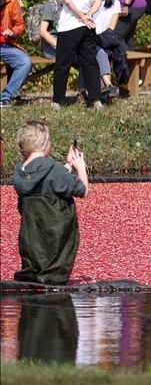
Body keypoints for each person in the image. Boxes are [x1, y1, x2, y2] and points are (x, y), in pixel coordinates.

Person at [12, 120, 90, 285]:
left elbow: (46, 180)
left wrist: (67, 166)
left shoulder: (20, 171)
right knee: (54, 277)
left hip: (32, 236)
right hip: (57, 234)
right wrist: (80, 167)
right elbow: (82, 190)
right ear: (43, 143)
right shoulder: (53, 168)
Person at [53, 0, 104, 110]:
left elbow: (67, 0)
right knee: (89, 62)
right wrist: (88, 14)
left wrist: (80, 15)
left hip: (70, 26)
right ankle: (97, 100)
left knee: (62, 64)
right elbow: (98, 1)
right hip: (88, 27)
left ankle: (57, 101)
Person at [81, 0, 123, 99]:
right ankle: (108, 86)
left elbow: (111, 29)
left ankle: (99, 93)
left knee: (98, 51)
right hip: (88, 40)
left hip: (104, 41)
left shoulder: (115, 4)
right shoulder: (89, 1)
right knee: (95, 52)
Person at [1, 0, 32, 107]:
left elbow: (20, 25)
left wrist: (13, 32)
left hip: (6, 45)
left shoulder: (12, 1)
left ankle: (6, 97)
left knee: (25, 62)